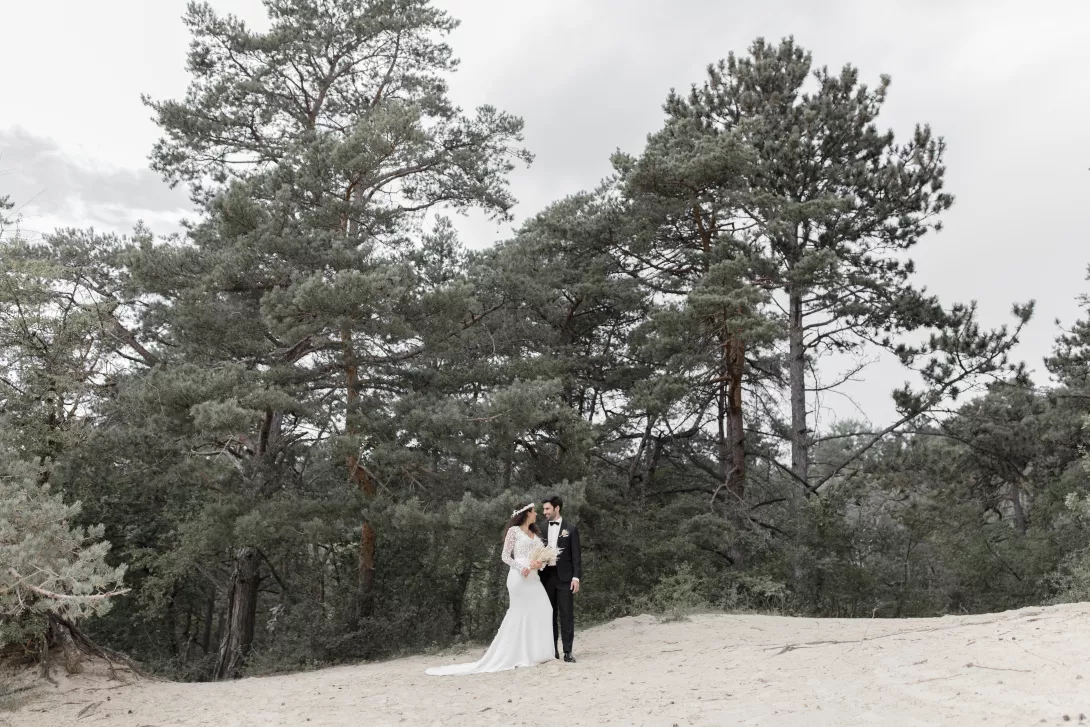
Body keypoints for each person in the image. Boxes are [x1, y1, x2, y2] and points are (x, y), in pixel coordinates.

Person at [425, 503, 554, 675]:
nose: (537, 513)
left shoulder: (535, 534)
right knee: (520, 613)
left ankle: (538, 652)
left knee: (545, 608)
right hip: (518, 578)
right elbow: (505, 556)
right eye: (534, 511)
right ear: (527, 513)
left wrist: (540, 564)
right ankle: (520, 654)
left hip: (534, 577)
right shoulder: (514, 531)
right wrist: (520, 567)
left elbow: (542, 557)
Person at [539, 495, 582, 663]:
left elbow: (576, 556)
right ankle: (553, 652)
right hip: (546, 577)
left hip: (565, 578)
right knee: (549, 615)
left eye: (547, 509)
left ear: (557, 508)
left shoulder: (571, 529)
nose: (544, 512)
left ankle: (568, 652)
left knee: (566, 615)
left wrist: (576, 578)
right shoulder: (541, 528)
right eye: (544, 509)